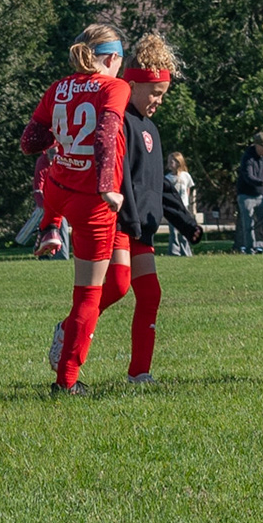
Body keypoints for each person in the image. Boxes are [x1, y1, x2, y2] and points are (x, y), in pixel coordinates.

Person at [84, 34, 203, 385]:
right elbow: (117, 177)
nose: (159, 102)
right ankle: (72, 328)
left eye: (163, 95)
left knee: (151, 294)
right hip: (121, 221)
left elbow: (159, 186)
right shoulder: (119, 121)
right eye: (155, 94)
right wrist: (130, 218)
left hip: (141, 228)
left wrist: (185, 222)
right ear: (132, 84)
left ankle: (139, 373)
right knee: (118, 286)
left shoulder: (151, 128)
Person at [21, 24, 132, 394]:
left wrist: (62, 136)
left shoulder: (59, 87)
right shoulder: (115, 86)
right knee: (88, 293)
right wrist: (106, 186)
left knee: (117, 283)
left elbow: (31, 140)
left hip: (61, 187)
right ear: (113, 58)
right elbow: (106, 131)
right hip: (93, 201)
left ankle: (49, 226)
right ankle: (66, 381)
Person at [165, 152, 196, 256]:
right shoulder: (168, 178)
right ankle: (174, 251)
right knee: (173, 231)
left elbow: (188, 189)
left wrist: (186, 202)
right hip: (172, 207)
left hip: (183, 206)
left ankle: (186, 251)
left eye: (171, 162)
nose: (169, 164)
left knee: (184, 229)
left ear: (178, 163)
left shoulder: (185, 176)